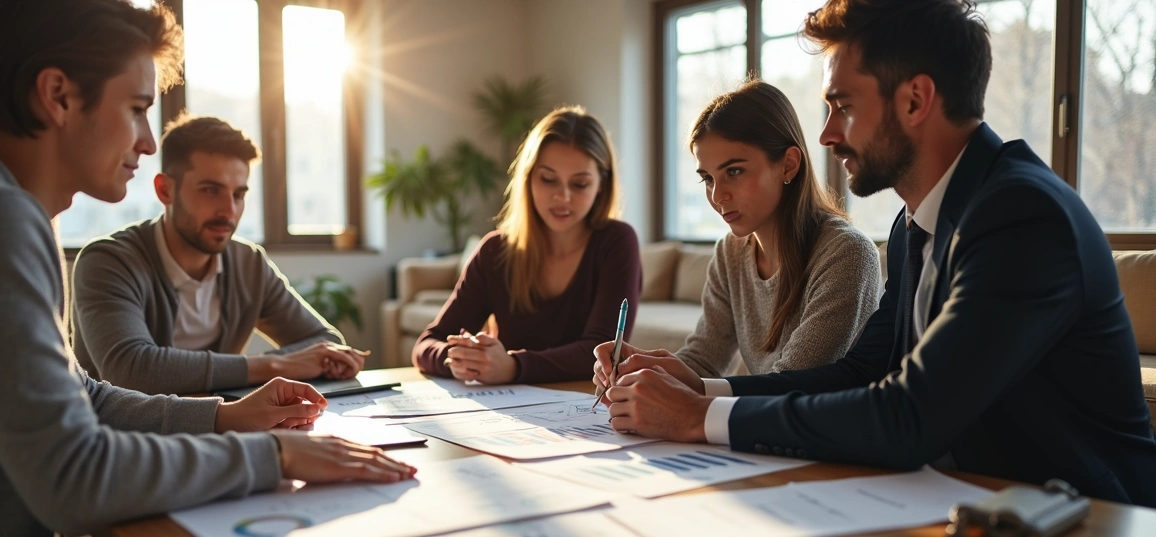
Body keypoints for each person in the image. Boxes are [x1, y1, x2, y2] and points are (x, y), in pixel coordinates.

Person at [0, 1, 415, 537]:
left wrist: (227, 415)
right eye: (137, 107)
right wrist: (271, 455)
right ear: (56, 96)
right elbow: (72, 477)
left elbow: (84, 398)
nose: (146, 139)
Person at [594, 0, 1156, 506]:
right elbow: (859, 373)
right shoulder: (916, 223)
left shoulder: (1023, 216)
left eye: (843, 106)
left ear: (915, 99)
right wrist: (702, 387)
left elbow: (911, 414)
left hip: (1088, 532)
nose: (827, 135)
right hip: (967, 504)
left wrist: (701, 417)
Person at [71, 113, 365, 396]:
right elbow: (132, 370)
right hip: (124, 440)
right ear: (165, 190)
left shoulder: (247, 263)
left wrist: (287, 364)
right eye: (211, 190)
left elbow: (324, 343)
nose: (229, 211)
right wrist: (276, 365)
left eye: (239, 194)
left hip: (218, 429)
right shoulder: (108, 261)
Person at [637, 78, 880, 379]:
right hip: (762, 421)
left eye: (734, 172)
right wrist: (642, 372)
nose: (716, 196)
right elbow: (704, 359)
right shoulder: (731, 252)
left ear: (788, 165)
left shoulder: (846, 254)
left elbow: (791, 383)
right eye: (708, 179)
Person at [412, 106, 641, 384]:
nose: (563, 197)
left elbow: (604, 352)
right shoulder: (495, 250)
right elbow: (427, 344)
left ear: (601, 185)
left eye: (579, 184)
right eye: (548, 179)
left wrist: (513, 366)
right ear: (528, 178)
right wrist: (460, 360)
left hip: (582, 406)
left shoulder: (617, 242)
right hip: (510, 411)